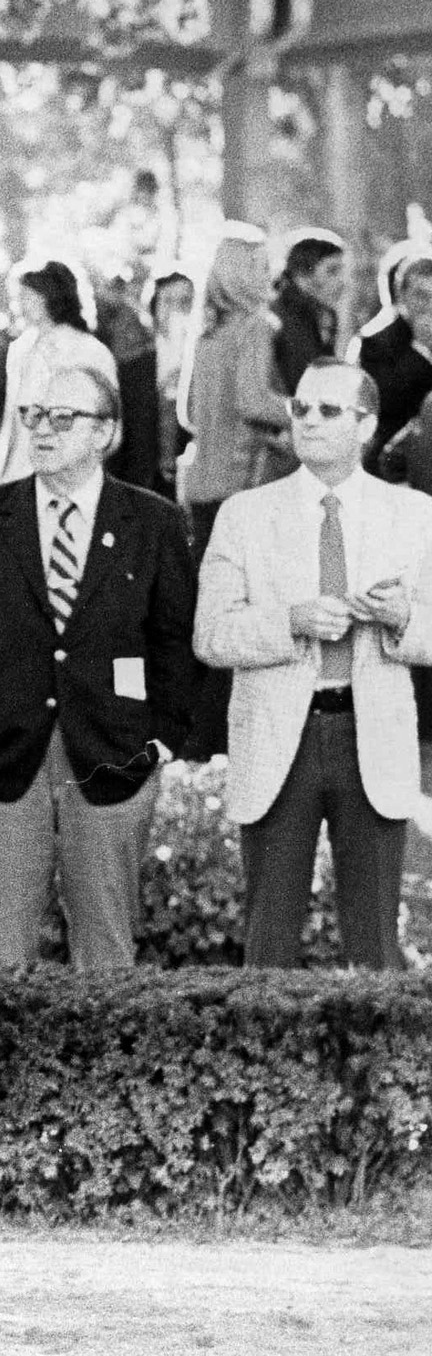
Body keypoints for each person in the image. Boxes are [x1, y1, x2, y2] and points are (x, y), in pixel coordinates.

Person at [0, 364, 197, 967]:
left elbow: (175, 645)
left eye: (63, 418)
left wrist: (163, 741)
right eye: (34, 416)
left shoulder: (153, 522)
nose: (43, 430)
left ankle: (104, 1064)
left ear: (106, 433)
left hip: (114, 754)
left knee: (107, 950)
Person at [193, 358, 432, 969]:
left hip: (371, 736)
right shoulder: (244, 514)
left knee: (376, 950)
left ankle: (374, 1066)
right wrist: (289, 623)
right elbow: (211, 636)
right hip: (279, 737)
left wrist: (404, 617)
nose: (309, 421)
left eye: (329, 411)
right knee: (268, 946)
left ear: (368, 425)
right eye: (300, 408)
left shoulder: (414, 517)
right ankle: (261, 1063)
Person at [180, 225, 290, 760]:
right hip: (241, 485)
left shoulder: (206, 334)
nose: (269, 274)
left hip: (202, 484)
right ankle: (216, 737)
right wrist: (302, 410)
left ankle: (197, 736)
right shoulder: (253, 328)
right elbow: (251, 399)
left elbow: (187, 413)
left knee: (209, 611)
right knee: (238, 616)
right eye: (261, 264)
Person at [0, 258, 119, 484]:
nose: (20, 304)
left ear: (54, 298)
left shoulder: (90, 351)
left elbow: (111, 429)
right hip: (19, 479)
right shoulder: (20, 349)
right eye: (19, 296)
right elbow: (12, 427)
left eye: (29, 297)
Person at [111, 268, 192, 497]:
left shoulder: (209, 364)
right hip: (143, 484)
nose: (177, 309)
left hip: (191, 481)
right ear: (154, 308)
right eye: (168, 301)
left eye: (185, 301)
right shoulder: (131, 368)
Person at [351, 249, 432, 471]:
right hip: (389, 463)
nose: (429, 305)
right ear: (402, 294)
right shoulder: (375, 342)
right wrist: (421, 348)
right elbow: (383, 402)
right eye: (421, 295)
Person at [272, 228, 348, 401]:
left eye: (341, 271)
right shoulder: (279, 317)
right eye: (332, 271)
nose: (341, 281)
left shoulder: (324, 315)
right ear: (302, 273)